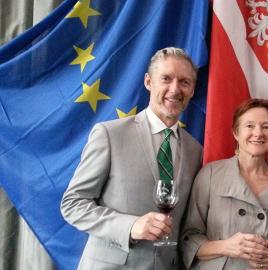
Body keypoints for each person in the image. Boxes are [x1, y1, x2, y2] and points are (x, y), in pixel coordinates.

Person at [61, 47, 203, 269]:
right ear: (148, 82)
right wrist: (130, 226)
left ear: (192, 89)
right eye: (166, 79)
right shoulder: (110, 135)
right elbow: (73, 204)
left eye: (184, 82)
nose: (175, 89)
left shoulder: (196, 151)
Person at [181, 99, 268, 269]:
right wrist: (226, 246)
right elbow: (188, 238)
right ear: (236, 132)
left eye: (266, 127)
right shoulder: (210, 175)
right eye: (250, 126)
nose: (258, 133)